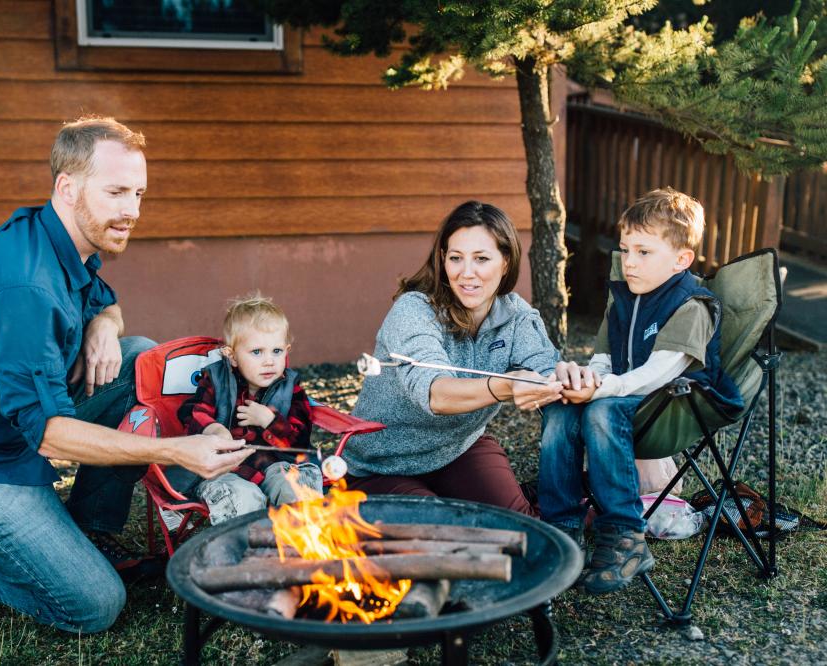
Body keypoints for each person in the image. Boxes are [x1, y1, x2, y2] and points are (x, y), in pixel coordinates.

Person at [0, 116, 253, 632]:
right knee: (94, 604)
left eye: (139, 193)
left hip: (1, 431)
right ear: (67, 187)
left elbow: (104, 300)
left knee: (136, 356)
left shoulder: (60, 240)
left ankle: (91, 529)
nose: (131, 211)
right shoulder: (25, 285)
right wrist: (171, 450)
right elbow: (51, 436)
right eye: (117, 192)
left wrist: (105, 322)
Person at [539, 187, 743, 595]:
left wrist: (599, 392)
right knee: (561, 407)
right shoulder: (623, 299)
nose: (629, 262)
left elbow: (657, 373)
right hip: (629, 398)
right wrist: (585, 381)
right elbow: (602, 357)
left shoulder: (691, 305)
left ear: (681, 260)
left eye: (643, 252)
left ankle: (625, 537)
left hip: (679, 407)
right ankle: (562, 529)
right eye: (626, 249)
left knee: (600, 411)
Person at [343, 201, 564, 514]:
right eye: (456, 258)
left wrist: (569, 377)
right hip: (382, 465)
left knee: (517, 528)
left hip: (458, 450)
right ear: (442, 260)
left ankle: (537, 498)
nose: (466, 273)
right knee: (446, 533)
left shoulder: (516, 316)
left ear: (505, 262)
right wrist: (506, 386)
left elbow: (547, 370)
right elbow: (435, 395)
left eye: (482, 259)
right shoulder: (413, 310)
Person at [177, 295, 321, 524]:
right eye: (257, 352)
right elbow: (192, 412)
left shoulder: (289, 387)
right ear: (232, 356)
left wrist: (271, 421)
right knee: (244, 498)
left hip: (274, 465)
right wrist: (213, 428)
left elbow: (300, 437)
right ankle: (248, 553)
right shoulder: (216, 380)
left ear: (287, 350)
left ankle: (300, 549)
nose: (269, 361)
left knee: (294, 488)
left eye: (276, 351)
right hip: (225, 471)